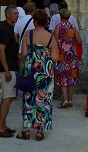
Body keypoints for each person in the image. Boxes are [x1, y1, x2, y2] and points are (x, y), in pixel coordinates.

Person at [17, 9, 58, 141]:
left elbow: (24, 54)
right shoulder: (51, 37)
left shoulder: (28, 34)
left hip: (31, 69)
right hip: (45, 71)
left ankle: (26, 129)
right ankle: (40, 130)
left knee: (29, 98)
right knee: (44, 99)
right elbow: (55, 57)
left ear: (34, 21)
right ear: (45, 22)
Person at [0, 5, 19, 139]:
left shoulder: (9, 28)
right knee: (7, 97)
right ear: (8, 15)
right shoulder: (4, 29)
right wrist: (7, 70)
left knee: (8, 97)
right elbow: (1, 50)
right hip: (7, 68)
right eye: (15, 13)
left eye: (17, 13)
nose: (17, 16)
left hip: (11, 67)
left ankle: (3, 125)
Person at [53, 7, 82, 108]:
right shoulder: (73, 27)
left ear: (60, 17)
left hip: (62, 55)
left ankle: (64, 100)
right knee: (71, 76)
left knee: (63, 78)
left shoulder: (58, 27)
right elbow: (79, 41)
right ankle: (70, 99)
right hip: (72, 55)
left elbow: (54, 41)